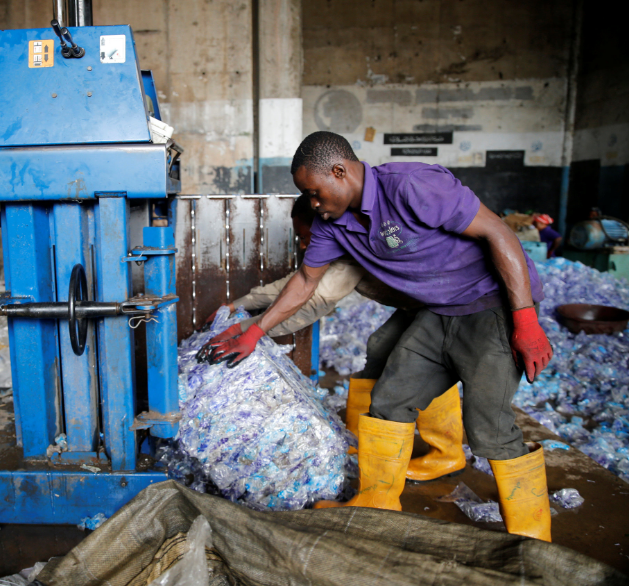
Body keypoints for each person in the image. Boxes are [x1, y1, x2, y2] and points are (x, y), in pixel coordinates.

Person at [200, 131, 553, 541]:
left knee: (489, 425)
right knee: (390, 399)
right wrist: (254, 330)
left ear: (340, 171)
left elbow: (500, 234)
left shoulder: (411, 186)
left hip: (491, 304)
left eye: (314, 193)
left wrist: (525, 320)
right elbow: (305, 281)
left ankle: (532, 537)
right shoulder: (332, 224)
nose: (312, 204)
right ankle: (376, 504)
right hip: (436, 312)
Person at [200, 196, 467, 481]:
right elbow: (294, 285)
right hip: (419, 304)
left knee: (421, 363)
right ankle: (358, 440)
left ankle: (446, 454)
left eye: (305, 236)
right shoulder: (339, 246)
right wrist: (237, 305)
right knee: (379, 347)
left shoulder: (354, 247)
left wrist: (248, 330)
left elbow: (312, 303)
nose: (303, 245)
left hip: (447, 302)